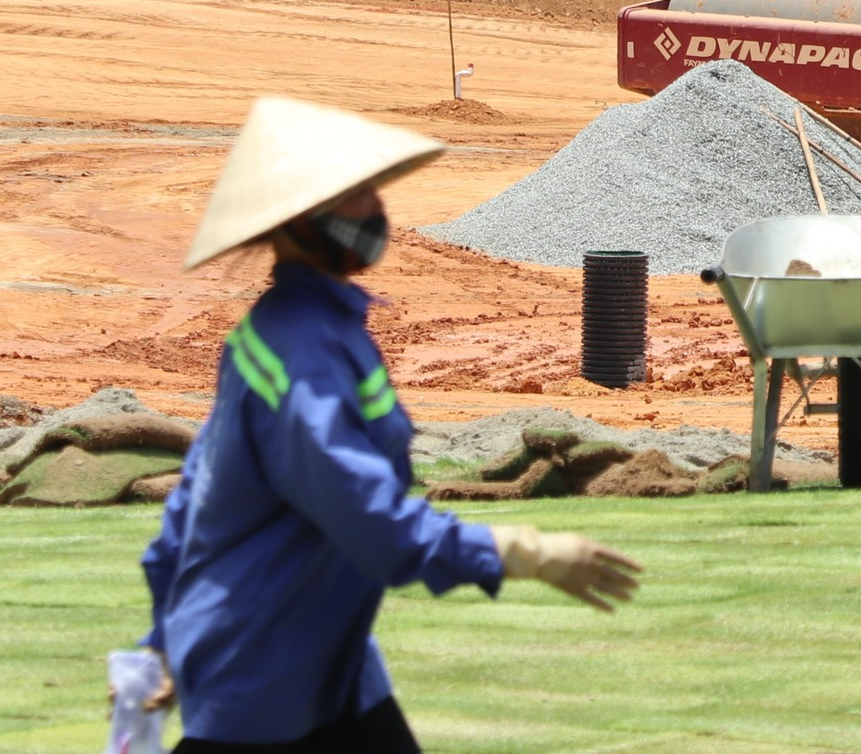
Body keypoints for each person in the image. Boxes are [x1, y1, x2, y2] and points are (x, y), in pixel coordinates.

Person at [139, 96, 641, 752]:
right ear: (298, 220)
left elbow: (189, 509)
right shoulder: (297, 356)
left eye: (371, 187)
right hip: (261, 670)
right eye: (353, 194)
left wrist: (163, 638)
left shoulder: (303, 334)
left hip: (333, 661)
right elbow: (367, 516)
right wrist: (525, 552)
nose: (376, 207)